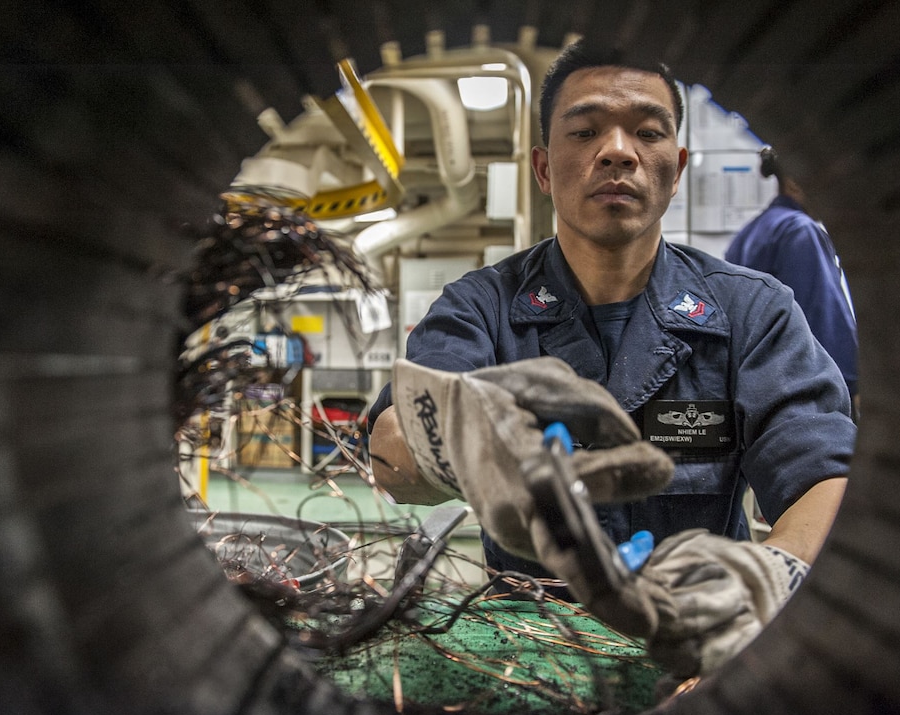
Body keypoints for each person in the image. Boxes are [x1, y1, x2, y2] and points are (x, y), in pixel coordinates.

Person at [366, 39, 856, 679]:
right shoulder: (478, 308)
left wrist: (766, 581)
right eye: (587, 130)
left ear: (676, 167)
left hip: (698, 650)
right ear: (543, 168)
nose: (619, 150)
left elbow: (827, 475)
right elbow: (390, 448)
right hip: (530, 657)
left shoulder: (752, 313)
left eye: (647, 132)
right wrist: (471, 442)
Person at [726, 146, 860, 414]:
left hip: (757, 396)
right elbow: (826, 325)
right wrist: (854, 388)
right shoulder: (800, 230)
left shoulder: (747, 234)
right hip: (807, 401)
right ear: (794, 182)